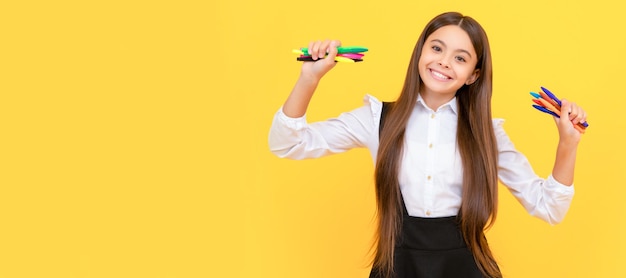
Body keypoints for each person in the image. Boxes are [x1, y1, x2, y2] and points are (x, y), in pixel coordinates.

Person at [268, 11, 587, 278]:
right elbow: (287, 144)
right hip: (397, 268)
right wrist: (309, 78)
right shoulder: (376, 118)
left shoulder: (487, 133)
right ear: (420, 52)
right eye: (437, 49)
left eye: (460, 58)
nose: (445, 62)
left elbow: (549, 207)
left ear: (473, 75)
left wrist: (567, 144)